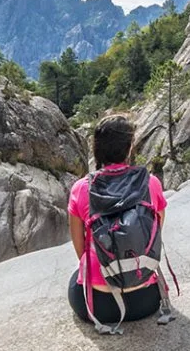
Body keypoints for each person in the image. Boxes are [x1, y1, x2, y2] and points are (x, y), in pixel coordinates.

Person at [68, 114, 171, 329]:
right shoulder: (150, 183)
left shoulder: (81, 189)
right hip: (146, 300)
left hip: (98, 305)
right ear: (129, 147)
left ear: (97, 148)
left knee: (76, 276)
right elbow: (154, 234)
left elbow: (81, 251)